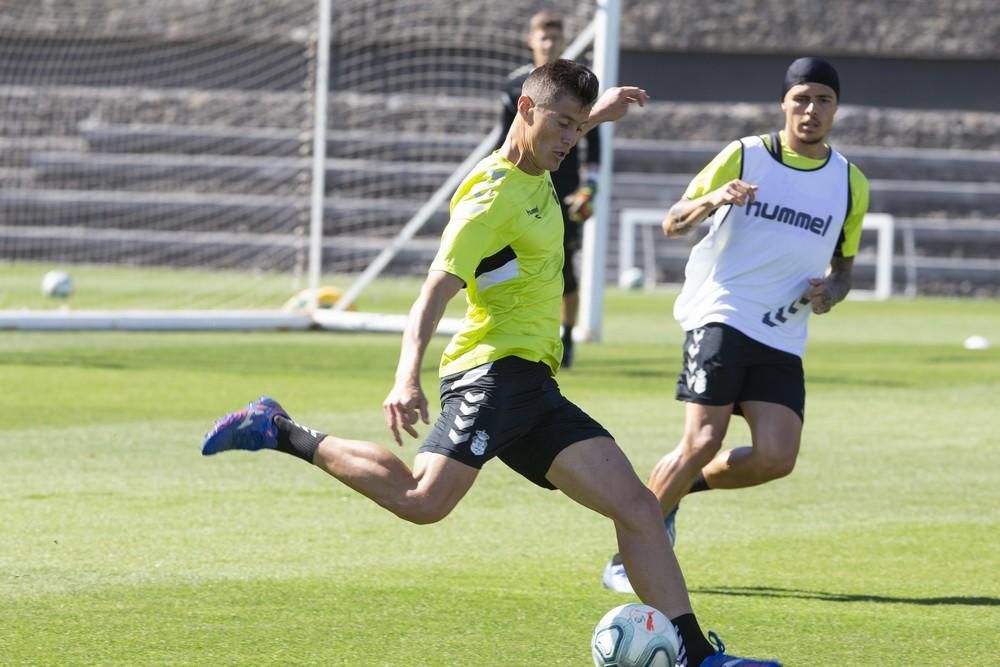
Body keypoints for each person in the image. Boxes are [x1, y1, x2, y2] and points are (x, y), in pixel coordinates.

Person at [203, 59, 780, 667]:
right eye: (561, 124)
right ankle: (280, 429)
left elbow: (563, 128)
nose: (568, 139)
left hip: (533, 384)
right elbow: (434, 290)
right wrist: (406, 376)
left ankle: (696, 655)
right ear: (525, 112)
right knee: (423, 501)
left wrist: (598, 111)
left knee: (638, 506)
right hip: (490, 373)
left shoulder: (540, 162)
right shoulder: (490, 195)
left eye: (576, 127)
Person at [602, 57, 869, 594]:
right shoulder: (747, 155)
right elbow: (672, 222)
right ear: (783, 103)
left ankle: (671, 496)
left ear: (836, 108)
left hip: (782, 333)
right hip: (721, 313)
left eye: (823, 100)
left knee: (776, 458)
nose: (811, 110)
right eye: (801, 99)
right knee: (702, 438)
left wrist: (828, 294)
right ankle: (627, 555)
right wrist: (712, 199)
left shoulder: (850, 182)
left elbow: (843, 272)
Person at [496, 10, 601, 368]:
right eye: (543, 36)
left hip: (565, 188)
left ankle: (566, 336)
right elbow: (503, 137)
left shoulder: (577, 84)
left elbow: (594, 143)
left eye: (555, 37)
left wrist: (591, 188)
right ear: (531, 40)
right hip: (521, 182)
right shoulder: (515, 85)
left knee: (564, 268)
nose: (549, 43)